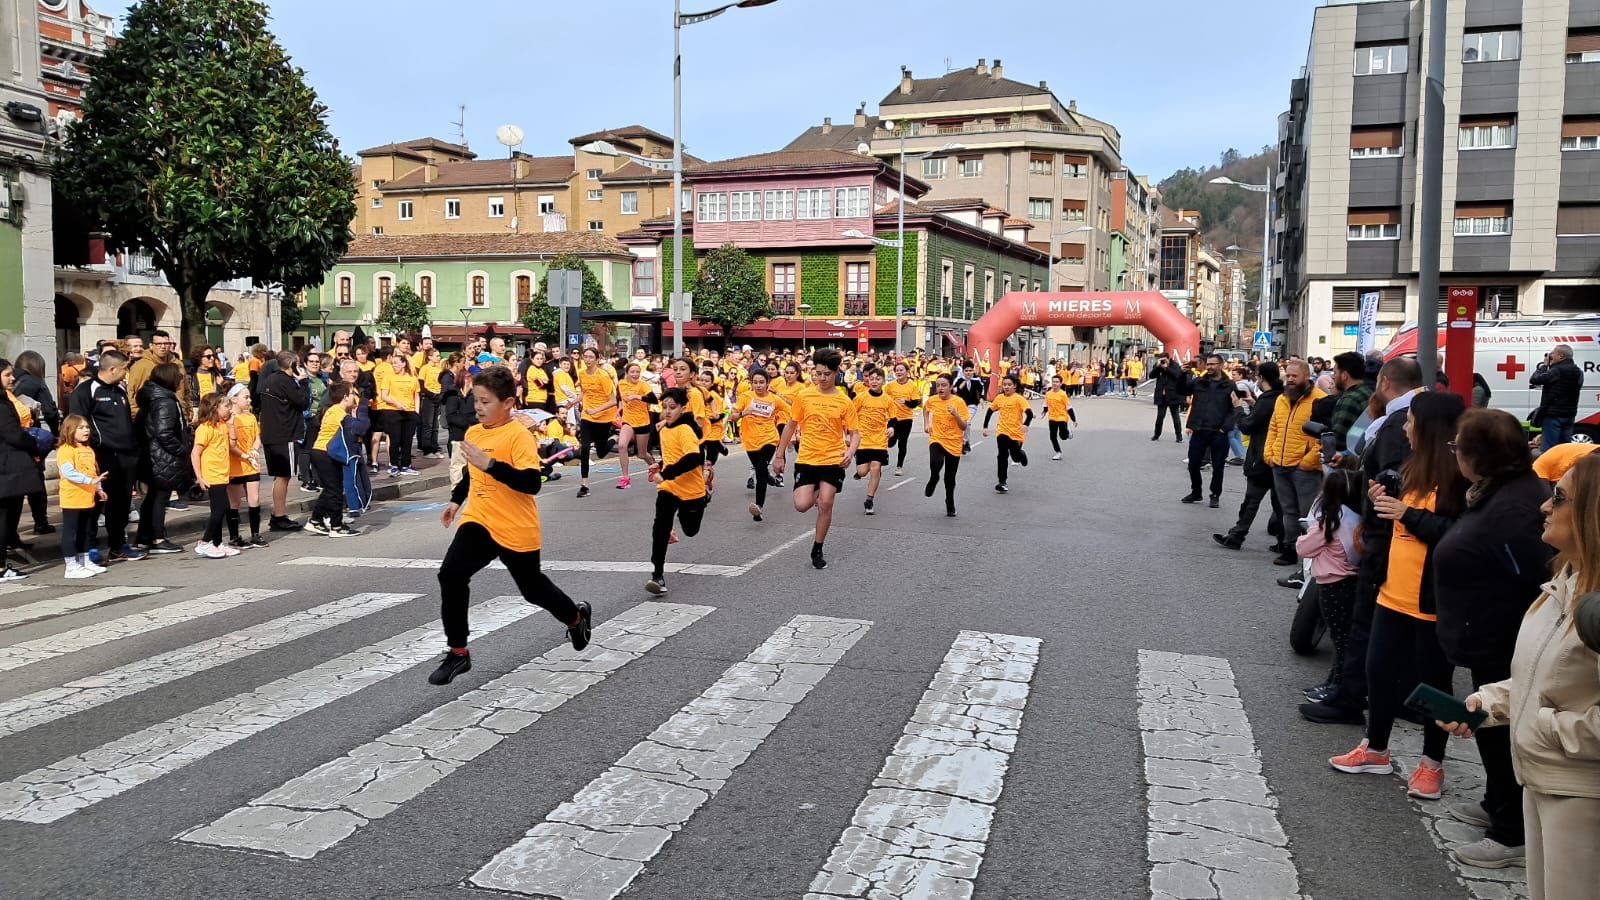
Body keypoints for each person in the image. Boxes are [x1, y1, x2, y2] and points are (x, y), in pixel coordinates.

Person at [1441, 454, 1600, 900]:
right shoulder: (1564, 583)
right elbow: (1547, 679)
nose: (1544, 507)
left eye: (1559, 498)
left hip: (1581, 794)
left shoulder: (1596, 609)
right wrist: (1487, 703)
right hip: (1542, 780)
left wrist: (1546, 727)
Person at [1428, 408, 1552, 868]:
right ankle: (1497, 803)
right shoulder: (1499, 490)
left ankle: (1512, 835)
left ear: (1477, 456)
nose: (1454, 454)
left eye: (1458, 446)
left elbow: (1533, 577)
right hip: (1489, 634)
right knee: (1492, 731)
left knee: (1502, 735)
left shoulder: (1517, 507)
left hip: (1505, 640)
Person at [1330, 390, 1467, 801]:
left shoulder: (1460, 479)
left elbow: (1457, 537)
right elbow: (1395, 525)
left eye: (1410, 422)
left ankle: (1432, 765)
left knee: (1435, 686)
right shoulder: (1410, 470)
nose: (1404, 428)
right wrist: (1380, 503)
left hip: (1432, 602)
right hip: (1391, 593)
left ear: (1428, 428)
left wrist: (1408, 514)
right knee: (1379, 673)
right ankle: (1375, 750)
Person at [431, 366, 592, 686]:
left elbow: (532, 483)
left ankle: (575, 617)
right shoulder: (475, 433)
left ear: (507, 403)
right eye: (476, 400)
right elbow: (470, 474)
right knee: (450, 574)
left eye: (485, 401)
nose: (478, 407)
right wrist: (455, 500)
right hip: (479, 519)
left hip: (515, 526)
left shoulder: (518, 436)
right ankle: (458, 652)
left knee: (533, 590)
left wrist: (490, 464)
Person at [1302, 357, 1424, 725]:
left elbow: (1387, 482)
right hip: (1398, 534)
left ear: (1385, 382)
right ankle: (1390, 694)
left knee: (1364, 622)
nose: (1409, 430)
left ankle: (1352, 696)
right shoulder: (1420, 411)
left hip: (1385, 535)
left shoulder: (1398, 421)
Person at [772, 348, 860, 569]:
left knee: (826, 503)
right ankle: (821, 492)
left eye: (827, 374)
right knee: (801, 505)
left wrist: (850, 452)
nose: (822, 378)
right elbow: (791, 425)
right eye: (818, 373)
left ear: (836, 373)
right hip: (808, 457)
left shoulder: (844, 401)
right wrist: (779, 455)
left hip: (833, 458)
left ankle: (817, 548)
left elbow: (855, 433)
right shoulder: (804, 396)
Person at [67, 349, 147, 562]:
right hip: (101, 456)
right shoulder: (86, 391)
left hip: (126, 456)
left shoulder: (119, 390)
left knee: (120, 503)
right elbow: (77, 423)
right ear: (112, 369)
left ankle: (118, 544)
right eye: (124, 369)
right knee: (95, 503)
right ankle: (89, 546)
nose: (126, 373)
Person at [1295, 469, 1363, 705]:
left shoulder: (1330, 521)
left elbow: (1304, 549)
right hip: (1350, 582)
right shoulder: (1356, 518)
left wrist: (1304, 534)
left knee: (1340, 639)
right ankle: (1332, 682)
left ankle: (1337, 686)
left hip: (1332, 585)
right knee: (1342, 637)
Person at [1214, 362, 1285, 552]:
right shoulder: (1282, 397)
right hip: (1279, 456)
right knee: (1280, 503)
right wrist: (1255, 404)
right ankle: (1285, 541)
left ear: (1261, 378)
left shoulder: (1268, 399)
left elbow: (1248, 426)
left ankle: (1237, 535)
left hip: (1261, 457)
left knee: (1251, 501)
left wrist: (1238, 409)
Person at [645, 387, 708, 595]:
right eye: (665, 407)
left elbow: (693, 458)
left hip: (692, 490)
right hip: (669, 488)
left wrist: (667, 472)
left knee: (691, 530)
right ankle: (657, 575)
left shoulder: (686, 430)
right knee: (660, 527)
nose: (668, 411)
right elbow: (673, 455)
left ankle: (705, 497)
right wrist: (660, 467)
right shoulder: (664, 429)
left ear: (683, 408)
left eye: (673, 407)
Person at [1265, 358, 1327, 565]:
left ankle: (1311, 557)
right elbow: (1273, 427)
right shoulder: (1281, 399)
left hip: (1304, 468)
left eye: (1294, 376)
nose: (1290, 380)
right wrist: (1269, 454)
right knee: (1287, 510)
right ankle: (1289, 548)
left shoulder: (1319, 399)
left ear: (1306, 377)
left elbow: (1324, 435)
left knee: (1307, 512)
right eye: (1288, 375)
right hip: (1280, 463)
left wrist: (1308, 461)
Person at [132, 362, 191, 554]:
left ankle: (144, 537)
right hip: (161, 457)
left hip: (153, 455)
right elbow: (164, 432)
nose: (181, 380)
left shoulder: (155, 398)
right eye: (179, 376)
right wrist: (181, 449)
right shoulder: (164, 401)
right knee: (159, 498)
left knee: (153, 498)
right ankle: (157, 538)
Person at [0, 359, 46, 580]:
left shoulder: (5, 399)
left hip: (8, 465)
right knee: (3, 516)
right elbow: (12, 433)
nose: (12, 379)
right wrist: (32, 441)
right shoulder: (1, 404)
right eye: (7, 375)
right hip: (7, 465)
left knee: (8, 514)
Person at [1182, 354, 1241, 509]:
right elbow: (1182, 390)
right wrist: (1182, 373)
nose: (1209, 367)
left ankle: (1215, 495)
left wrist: (1225, 428)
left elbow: (1235, 409)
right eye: (1208, 364)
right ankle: (1196, 491)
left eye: (1213, 364)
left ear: (1221, 366)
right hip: (1200, 429)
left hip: (1218, 433)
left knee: (1218, 466)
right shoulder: (1199, 382)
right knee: (1193, 464)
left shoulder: (1229, 385)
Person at [257, 350, 308, 531]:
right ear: (292, 365)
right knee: (283, 476)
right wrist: (303, 382)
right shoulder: (286, 382)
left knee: (280, 476)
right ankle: (279, 515)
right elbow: (302, 403)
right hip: (284, 434)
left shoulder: (270, 380)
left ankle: (279, 514)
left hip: (271, 433)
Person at [730, 369, 789, 522]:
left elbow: (793, 411)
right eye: (755, 382)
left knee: (761, 469)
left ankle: (758, 507)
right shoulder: (746, 397)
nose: (758, 385)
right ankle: (770, 478)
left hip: (769, 438)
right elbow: (732, 417)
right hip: (750, 440)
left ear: (767, 384)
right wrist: (744, 413)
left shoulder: (774, 399)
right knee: (761, 470)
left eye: (761, 382)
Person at [189, 393, 241, 560]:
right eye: (225, 406)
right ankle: (204, 542)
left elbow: (232, 445)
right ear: (214, 409)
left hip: (223, 473)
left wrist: (232, 426)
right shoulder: (204, 429)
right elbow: (195, 453)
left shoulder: (222, 425)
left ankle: (217, 543)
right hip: (212, 474)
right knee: (221, 508)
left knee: (219, 509)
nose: (229, 409)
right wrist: (199, 476)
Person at [305, 382, 361, 538]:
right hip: (325, 453)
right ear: (345, 397)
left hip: (322, 452)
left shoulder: (335, 410)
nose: (355, 397)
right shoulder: (339, 413)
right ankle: (336, 526)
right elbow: (355, 430)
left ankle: (316, 520)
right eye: (352, 394)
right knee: (335, 490)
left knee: (331, 488)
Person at [56, 414, 108, 578]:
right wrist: (91, 481)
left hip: (88, 497)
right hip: (72, 498)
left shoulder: (88, 450)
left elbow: (94, 472)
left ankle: (85, 561)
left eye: (87, 427)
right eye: (81, 428)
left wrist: (98, 488)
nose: (86, 430)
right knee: (71, 532)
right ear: (70, 430)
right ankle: (71, 566)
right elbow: (69, 472)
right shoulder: (66, 450)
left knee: (85, 531)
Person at [12, 351, 58, 537]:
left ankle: (11, 534)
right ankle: (41, 521)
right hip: (29, 435)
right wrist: (55, 434)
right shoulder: (36, 382)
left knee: (13, 485)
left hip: (10, 436)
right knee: (35, 479)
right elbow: (50, 410)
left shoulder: (10, 380)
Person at [224, 384, 267, 549]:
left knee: (254, 499)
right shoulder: (229, 418)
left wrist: (255, 449)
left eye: (249, 397)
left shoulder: (250, 417)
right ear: (234, 399)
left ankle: (255, 534)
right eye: (246, 397)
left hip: (251, 464)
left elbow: (257, 436)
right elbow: (230, 445)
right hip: (235, 465)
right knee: (234, 502)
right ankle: (234, 536)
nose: (249, 400)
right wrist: (245, 455)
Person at [922, 373, 969, 518]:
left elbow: (963, 427)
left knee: (950, 477)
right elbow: (926, 408)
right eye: (938, 386)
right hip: (937, 438)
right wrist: (926, 423)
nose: (940, 388)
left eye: (944, 385)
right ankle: (934, 477)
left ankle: (950, 501)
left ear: (951, 387)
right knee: (935, 462)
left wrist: (955, 414)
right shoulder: (932, 400)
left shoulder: (958, 402)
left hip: (954, 442)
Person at [851, 366, 894, 513]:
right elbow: (850, 414)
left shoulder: (887, 400)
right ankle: (861, 472)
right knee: (863, 471)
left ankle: (869, 499)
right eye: (871, 378)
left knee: (876, 468)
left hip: (879, 440)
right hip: (863, 440)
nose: (874, 381)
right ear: (868, 380)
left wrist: (892, 428)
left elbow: (893, 418)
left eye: (878, 379)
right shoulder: (861, 397)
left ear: (883, 381)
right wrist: (850, 434)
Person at [982, 374, 1033, 494]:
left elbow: (1029, 414)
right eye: (1004, 384)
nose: (1006, 387)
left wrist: (1026, 424)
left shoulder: (1019, 399)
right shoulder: (999, 398)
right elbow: (990, 411)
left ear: (1015, 386)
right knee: (1002, 456)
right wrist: (985, 427)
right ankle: (1002, 482)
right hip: (1002, 431)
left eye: (1009, 385)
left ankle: (1021, 454)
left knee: (1015, 457)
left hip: (1016, 434)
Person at [1529, 344, 1583, 449]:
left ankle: (1549, 466)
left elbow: (1535, 380)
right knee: (1565, 448)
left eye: (1553, 353)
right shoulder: (1578, 371)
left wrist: (1544, 366)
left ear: (1561, 356)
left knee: (1549, 448)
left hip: (1553, 415)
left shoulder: (1557, 370)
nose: (1551, 355)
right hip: (1569, 415)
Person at [615, 362, 656, 490]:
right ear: (627, 373)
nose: (635, 374)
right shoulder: (621, 384)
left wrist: (638, 397)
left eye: (637, 372)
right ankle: (625, 478)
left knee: (642, 454)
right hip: (628, 420)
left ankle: (655, 467)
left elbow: (654, 400)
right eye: (632, 372)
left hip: (642, 421)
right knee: (622, 445)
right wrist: (619, 410)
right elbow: (619, 398)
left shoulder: (643, 385)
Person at [381, 353, 421, 477]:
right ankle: (393, 465)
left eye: (396, 363)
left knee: (407, 441)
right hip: (393, 412)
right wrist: (397, 403)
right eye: (393, 363)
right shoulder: (388, 377)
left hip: (409, 412)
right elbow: (384, 395)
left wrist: (416, 411)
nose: (394, 366)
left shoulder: (413, 378)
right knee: (395, 440)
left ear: (404, 364)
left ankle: (405, 465)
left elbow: (416, 395)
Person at [1328, 351, 1374, 451]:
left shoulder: (1349, 399)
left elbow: (1338, 439)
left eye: (1335, 372)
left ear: (1344, 375)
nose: (1333, 377)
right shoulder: (1368, 393)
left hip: (1347, 458)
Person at [885, 362, 921, 474]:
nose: (899, 372)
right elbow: (883, 399)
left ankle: (899, 466)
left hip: (906, 419)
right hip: (892, 418)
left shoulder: (912, 386)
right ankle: (883, 455)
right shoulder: (890, 386)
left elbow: (915, 404)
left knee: (902, 442)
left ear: (907, 371)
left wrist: (905, 402)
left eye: (901, 370)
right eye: (897, 370)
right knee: (890, 443)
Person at [1152, 354, 1188, 442]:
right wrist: (1157, 367)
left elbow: (1177, 376)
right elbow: (1151, 376)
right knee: (1160, 417)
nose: (1162, 361)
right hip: (1161, 395)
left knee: (1175, 416)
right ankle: (1156, 435)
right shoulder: (1159, 366)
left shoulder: (1175, 365)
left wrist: (1167, 368)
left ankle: (1179, 436)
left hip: (1173, 395)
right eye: (1160, 359)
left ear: (1168, 358)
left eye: (1163, 359)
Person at [416, 347, 445, 458]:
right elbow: (421, 384)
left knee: (435, 425)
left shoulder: (439, 369)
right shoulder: (425, 368)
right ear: (430, 357)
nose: (439, 358)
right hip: (428, 398)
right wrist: (430, 394)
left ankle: (434, 447)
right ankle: (427, 449)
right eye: (437, 356)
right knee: (427, 424)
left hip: (438, 397)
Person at [1043, 375, 1078, 460]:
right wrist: (1044, 411)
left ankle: (1067, 432)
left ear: (1060, 384)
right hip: (1052, 418)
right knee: (1052, 436)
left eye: (1057, 382)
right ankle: (1058, 452)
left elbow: (1069, 407)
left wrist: (1074, 420)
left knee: (1063, 436)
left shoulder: (1063, 394)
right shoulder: (1048, 394)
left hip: (1062, 417)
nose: (1054, 383)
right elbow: (1046, 404)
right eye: (1053, 381)